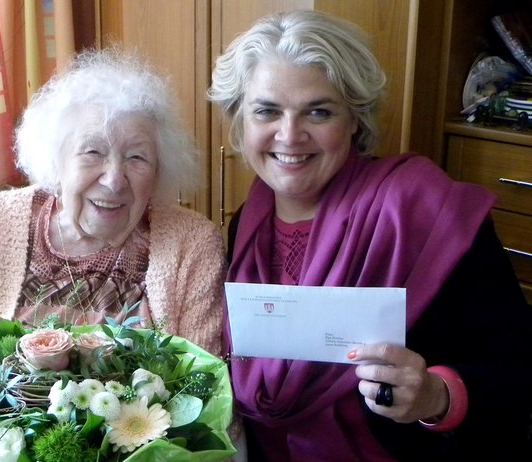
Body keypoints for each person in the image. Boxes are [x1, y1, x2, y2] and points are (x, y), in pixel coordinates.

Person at [208, 9, 532, 461]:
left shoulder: (421, 212)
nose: (290, 134)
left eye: (318, 111)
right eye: (267, 111)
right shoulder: (244, 225)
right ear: (242, 121)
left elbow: (517, 368)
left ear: (355, 119)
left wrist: (437, 396)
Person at [0, 48, 226, 359]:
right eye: (93, 152)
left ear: (159, 171)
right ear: (55, 159)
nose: (114, 180)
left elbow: (203, 384)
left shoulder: (192, 243)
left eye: (137, 157)